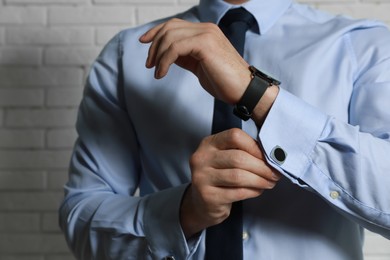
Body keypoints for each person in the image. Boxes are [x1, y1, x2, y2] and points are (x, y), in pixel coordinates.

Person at [59, 0, 390, 259]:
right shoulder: (127, 55)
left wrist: (257, 95)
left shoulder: (362, 47)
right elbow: (81, 216)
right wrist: (184, 211)